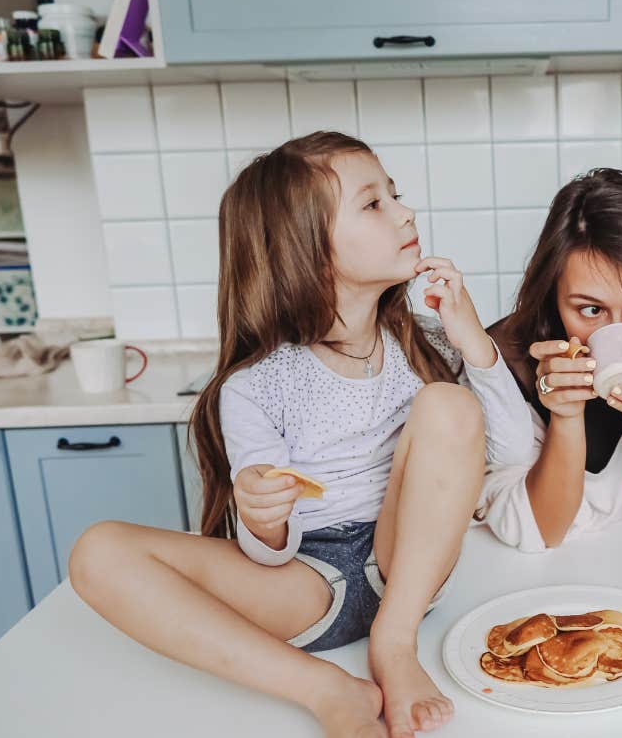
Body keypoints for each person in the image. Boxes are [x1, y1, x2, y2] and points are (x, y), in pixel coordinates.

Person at [68, 132, 532, 738]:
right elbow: (268, 554)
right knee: (97, 552)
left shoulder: (425, 343)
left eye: (395, 195)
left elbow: (514, 452)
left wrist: (472, 338)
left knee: (448, 405)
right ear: (308, 251)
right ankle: (324, 687)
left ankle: (393, 644)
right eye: (374, 204)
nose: (406, 212)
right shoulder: (255, 386)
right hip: (303, 585)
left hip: (407, 571)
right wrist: (259, 516)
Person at [478, 169, 622, 552]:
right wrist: (565, 417)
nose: (618, 329)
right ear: (553, 297)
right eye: (590, 310)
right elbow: (543, 532)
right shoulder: (503, 363)